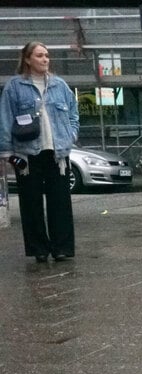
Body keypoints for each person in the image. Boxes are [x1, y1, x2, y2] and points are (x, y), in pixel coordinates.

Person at [0, 42, 79, 264]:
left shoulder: (59, 85)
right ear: (27, 59)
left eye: (47, 55)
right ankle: (39, 249)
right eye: (40, 55)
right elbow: (5, 119)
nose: (45, 59)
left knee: (60, 202)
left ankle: (62, 248)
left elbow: (73, 113)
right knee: (31, 203)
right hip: (27, 154)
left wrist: (71, 135)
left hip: (57, 153)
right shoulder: (14, 87)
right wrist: (6, 153)